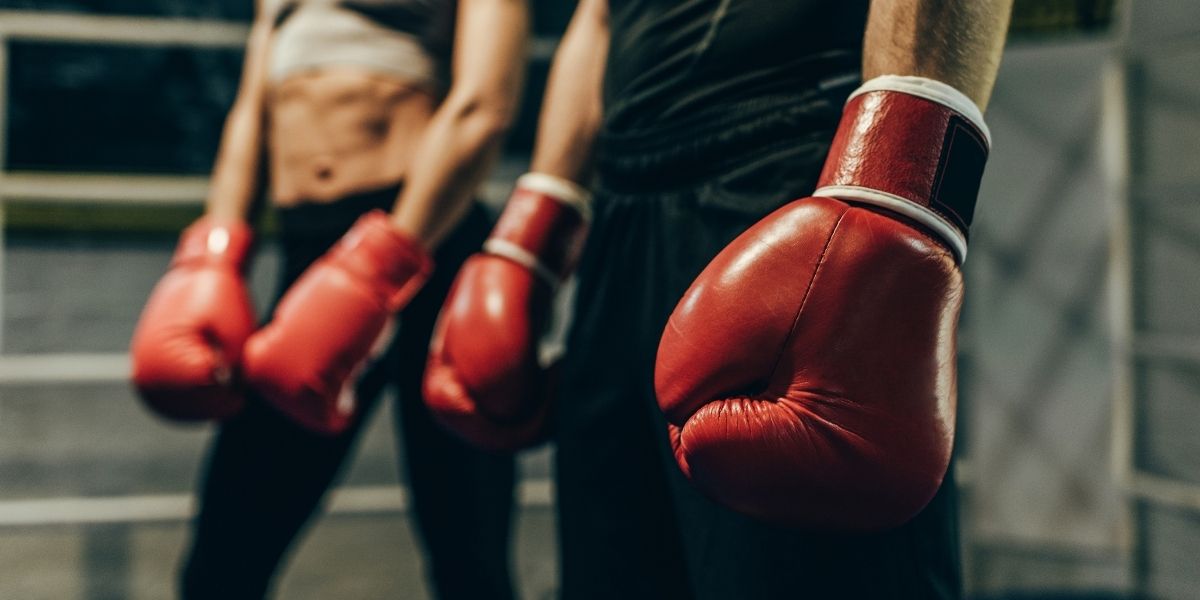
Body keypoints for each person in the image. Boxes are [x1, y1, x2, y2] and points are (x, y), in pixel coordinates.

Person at [424, 0, 1013, 598]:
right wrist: (536, 229)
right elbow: (598, 17)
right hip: (624, 208)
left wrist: (887, 193)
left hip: (790, 175)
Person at [129, 0, 530, 597]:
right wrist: (215, 252)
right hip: (311, 257)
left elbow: (484, 106)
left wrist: (382, 264)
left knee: (469, 561)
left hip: (428, 245)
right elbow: (253, 109)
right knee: (222, 563)